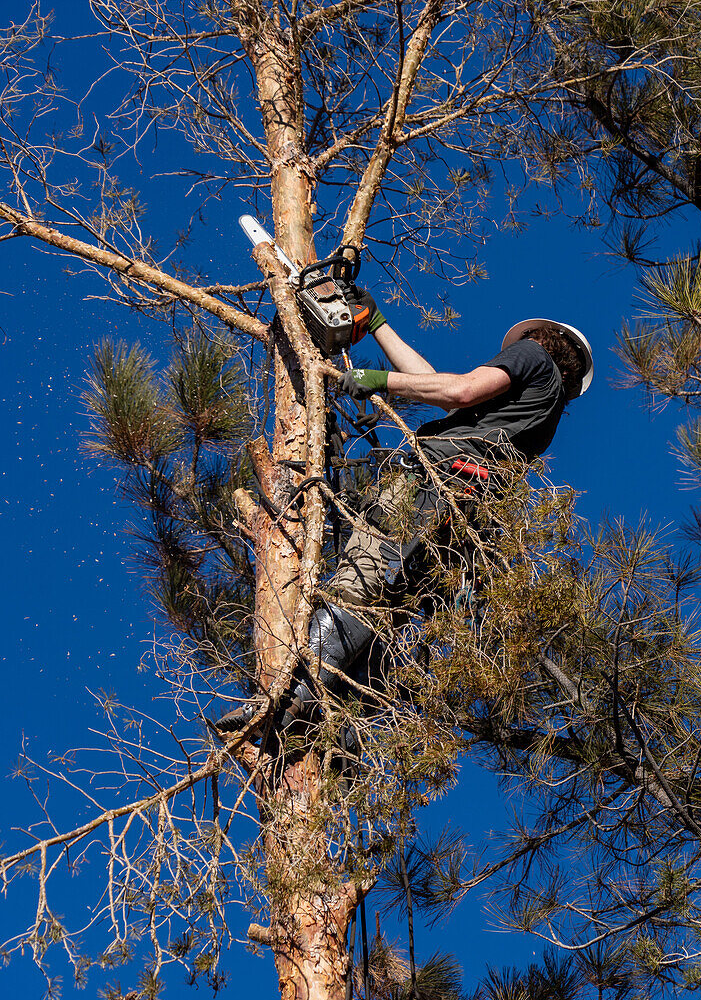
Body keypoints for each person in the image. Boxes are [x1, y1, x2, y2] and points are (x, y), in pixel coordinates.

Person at [215, 297, 593, 737]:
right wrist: (377, 324)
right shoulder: (541, 411)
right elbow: (438, 386)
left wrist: (378, 379)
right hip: (458, 513)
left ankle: (283, 699)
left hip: (432, 484)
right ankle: (320, 719)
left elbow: (460, 390)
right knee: (381, 609)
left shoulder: (532, 356)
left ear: (545, 340)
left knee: (356, 583)